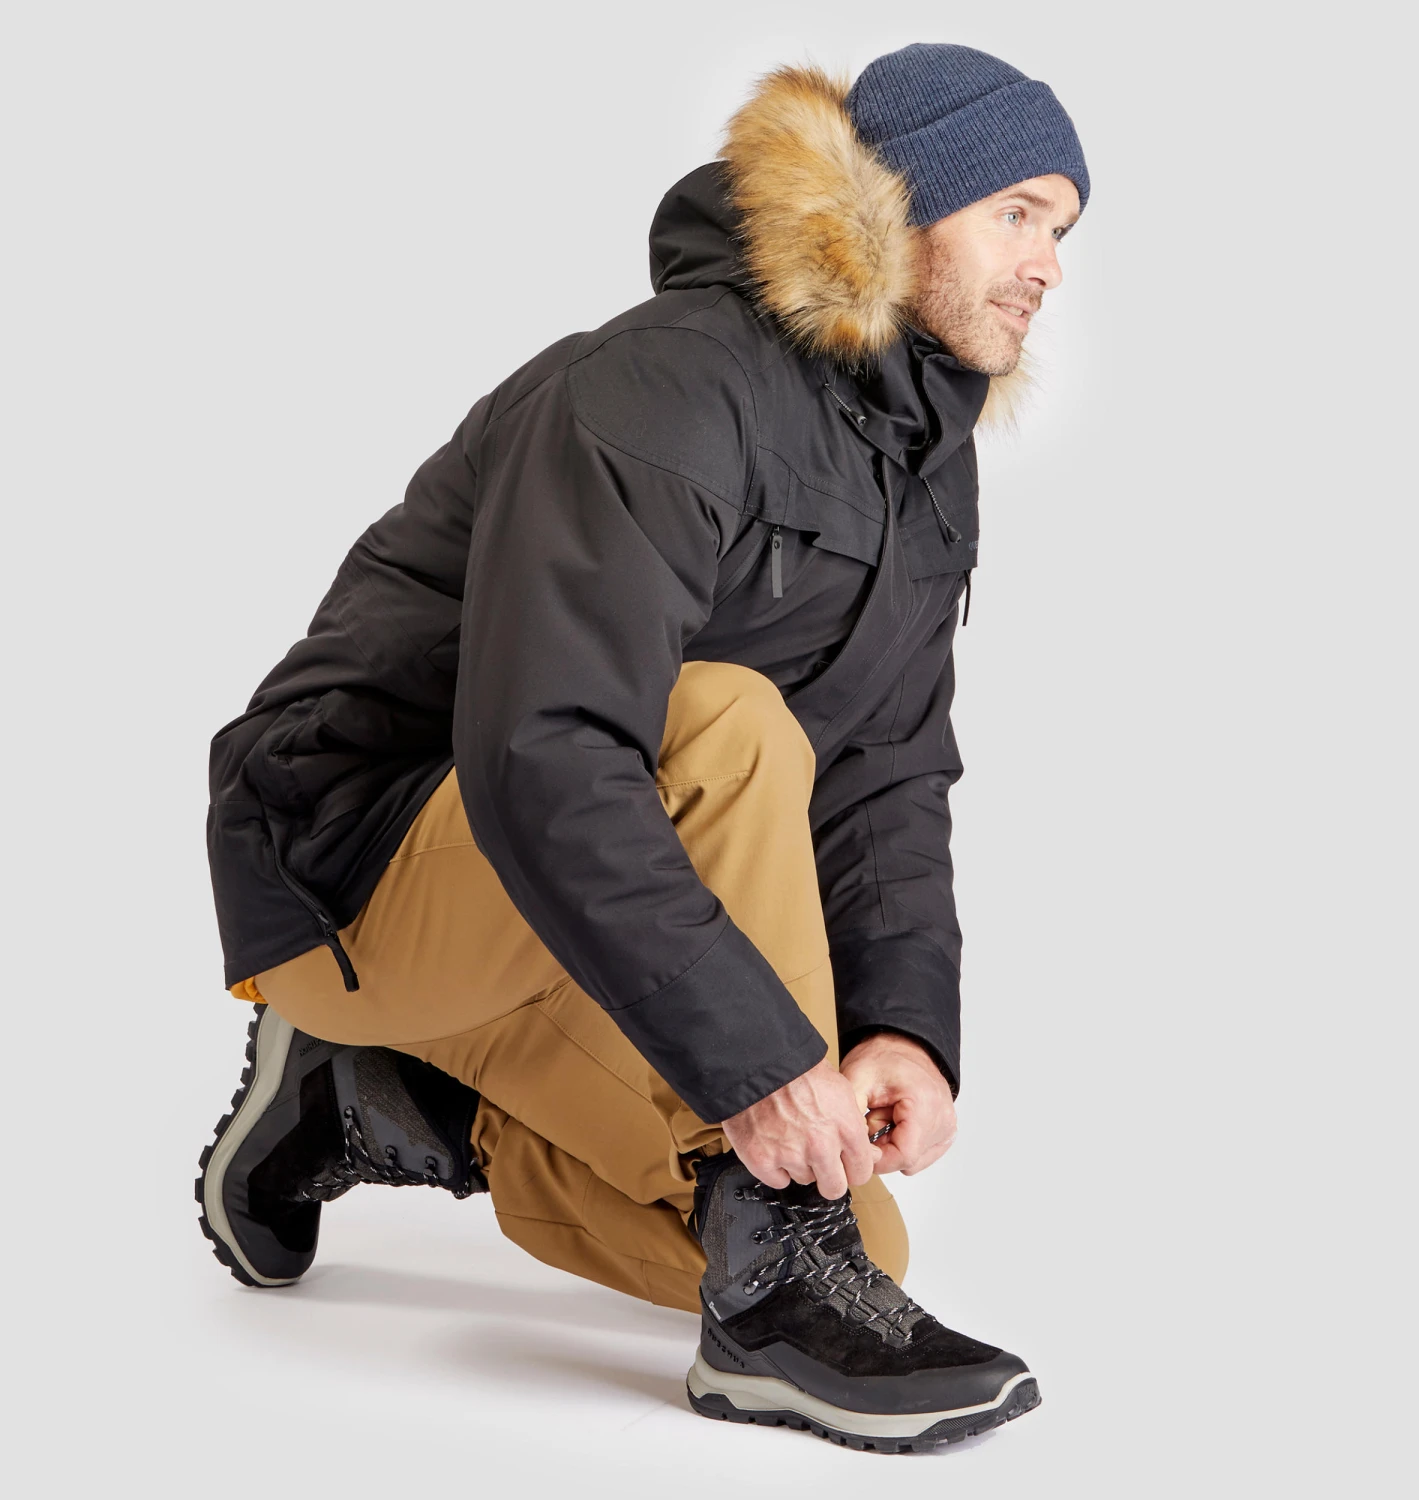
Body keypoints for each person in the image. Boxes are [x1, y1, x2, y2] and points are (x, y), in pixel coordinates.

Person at [196, 41, 1088, 1453]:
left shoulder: (926, 468)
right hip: (347, 865)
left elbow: (888, 770)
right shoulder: (669, 380)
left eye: (1064, 232)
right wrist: (756, 1065)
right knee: (732, 722)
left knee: (857, 1240)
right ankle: (765, 1312)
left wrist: (901, 1027)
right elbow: (546, 750)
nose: (1046, 266)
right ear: (898, 203)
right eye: (1018, 213)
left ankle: (379, 1099)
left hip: (561, 906)